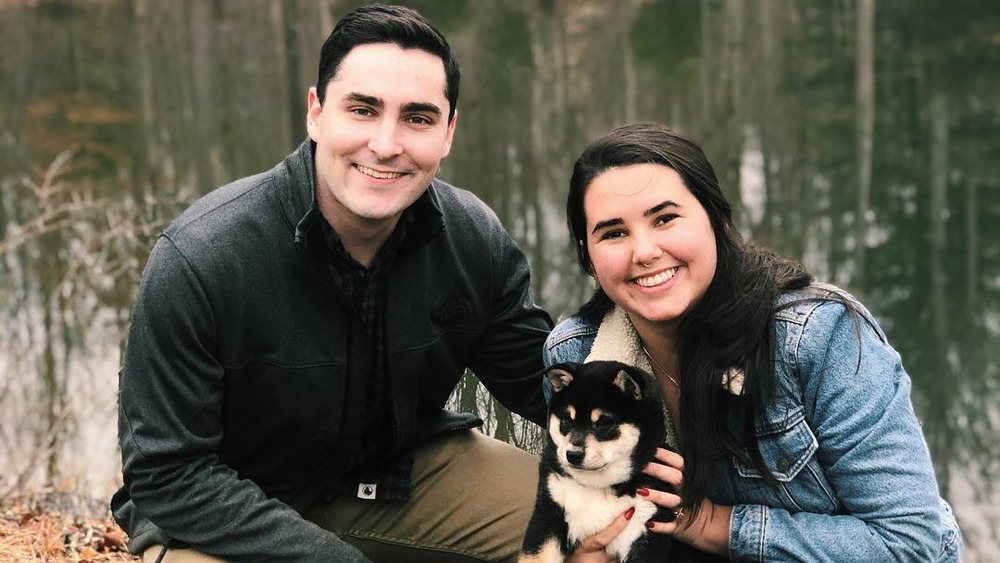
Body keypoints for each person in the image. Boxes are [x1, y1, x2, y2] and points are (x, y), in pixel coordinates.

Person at [110, 4, 553, 562]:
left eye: (417, 118)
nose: (387, 144)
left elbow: (547, 383)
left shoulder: (471, 239)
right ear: (316, 113)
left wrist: (675, 383)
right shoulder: (202, 257)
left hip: (388, 477)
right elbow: (168, 474)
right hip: (215, 512)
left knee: (586, 527)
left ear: (448, 132)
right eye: (363, 110)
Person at [544, 122, 963, 562]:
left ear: (716, 219)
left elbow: (911, 544)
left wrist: (715, 524)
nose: (644, 251)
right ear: (586, 255)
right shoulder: (575, 358)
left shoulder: (817, 338)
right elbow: (575, 515)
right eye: (613, 233)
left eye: (665, 218)